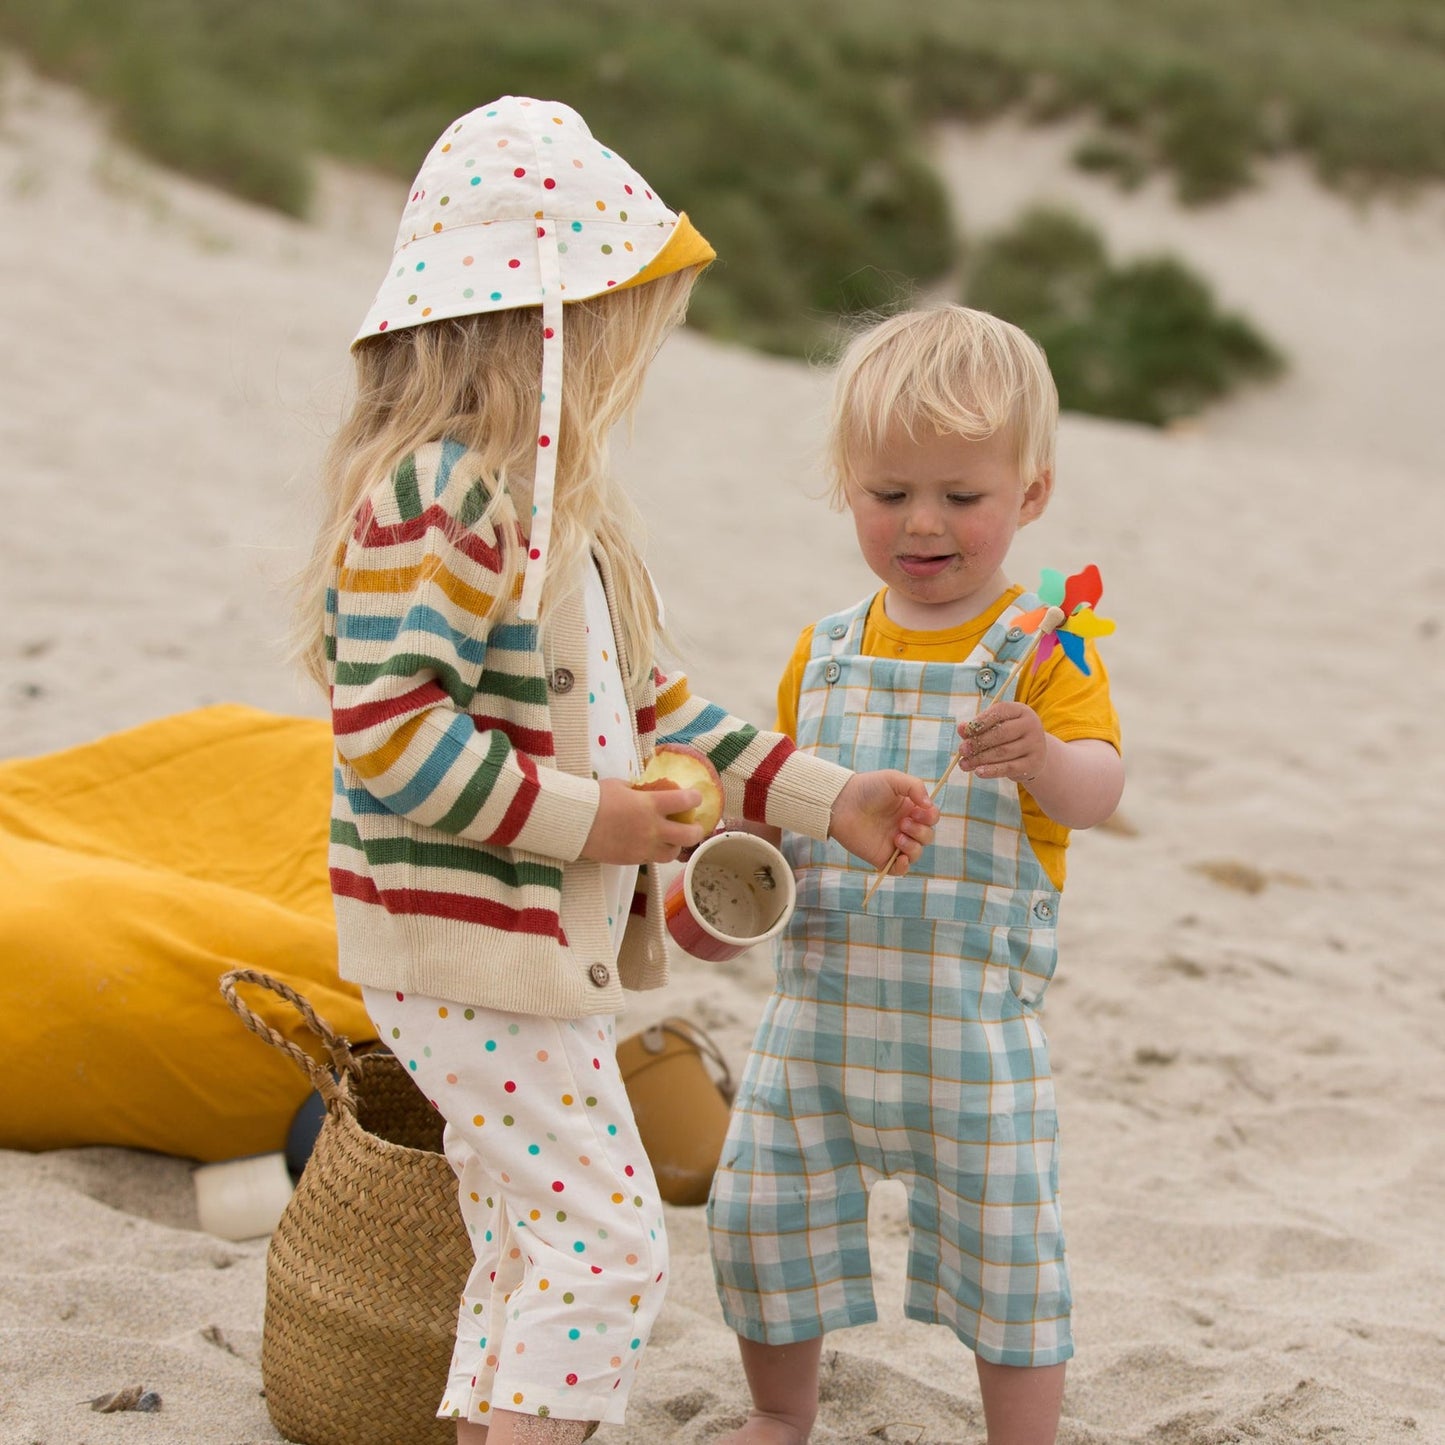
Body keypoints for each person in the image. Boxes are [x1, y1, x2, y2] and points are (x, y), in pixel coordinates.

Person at [291, 96, 940, 1445]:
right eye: (608, 328)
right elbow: (394, 736)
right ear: (538, 323)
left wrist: (831, 798)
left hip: (523, 945)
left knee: (533, 1241)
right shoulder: (441, 495)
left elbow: (670, 718)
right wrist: (602, 825)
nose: (622, 362)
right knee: (608, 1246)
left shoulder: (561, 514)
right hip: (466, 946)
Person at [706, 305, 1125, 1445]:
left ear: (1029, 493)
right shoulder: (827, 648)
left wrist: (1041, 755)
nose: (922, 524)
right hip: (820, 1009)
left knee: (1007, 1245)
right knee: (760, 1215)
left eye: (960, 495)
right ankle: (777, 1407)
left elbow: (1101, 790)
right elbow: (785, 800)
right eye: (888, 495)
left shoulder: (1043, 648)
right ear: (848, 485)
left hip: (968, 1028)